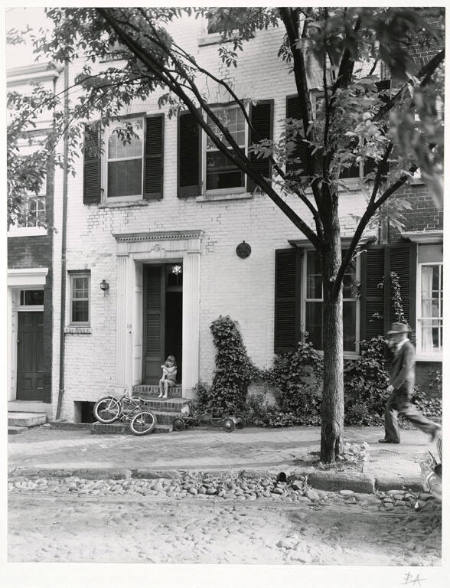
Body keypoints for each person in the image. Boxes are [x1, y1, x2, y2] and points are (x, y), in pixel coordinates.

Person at [379, 322, 441, 444]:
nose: (394, 337)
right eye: (393, 335)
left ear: (403, 334)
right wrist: (390, 347)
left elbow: (406, 368)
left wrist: (394, 385)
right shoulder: (400, 346)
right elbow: (388, 359)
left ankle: (432, 428)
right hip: (401, 384)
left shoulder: (408, 348)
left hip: (403, 385)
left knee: (406, 410)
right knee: (390, 408)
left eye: (396, 335)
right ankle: (392, 437)